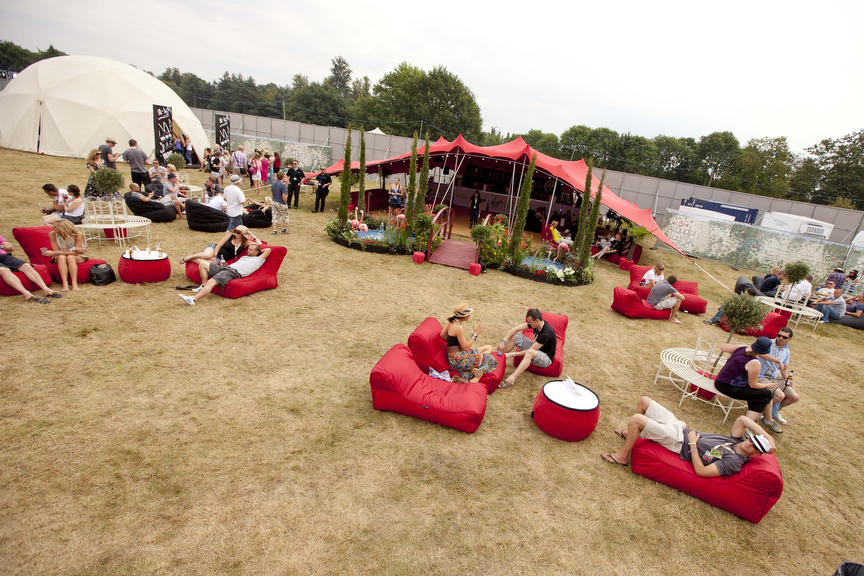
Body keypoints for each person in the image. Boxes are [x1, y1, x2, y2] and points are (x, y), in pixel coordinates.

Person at [600, 396, 774, 472]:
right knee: (644, 401)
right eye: (752, 439)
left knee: (636, 419)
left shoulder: (734, 461)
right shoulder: (737, 440)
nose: (749, 443)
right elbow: (743, 419)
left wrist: (692, 445)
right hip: (680, 428)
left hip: (679, 442)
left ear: (757, 453)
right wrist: (768, 437)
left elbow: (702, 471)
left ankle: (623, 456)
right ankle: (632, 435)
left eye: (754, 446)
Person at [713, 337, 781, 425]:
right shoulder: (755, 363)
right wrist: (768, 385)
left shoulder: (742, 347)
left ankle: (766, 420)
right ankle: (748, 424)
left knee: (760, 394)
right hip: (730, 387)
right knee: (766, 394)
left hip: (720, 381)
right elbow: (753, 385)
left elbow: (723, 347)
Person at [180, 244, 271, 306]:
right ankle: (203, 285)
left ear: (256, 252)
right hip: (226, 268)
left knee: (211, 282)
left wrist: (259, 252)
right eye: (248, 249)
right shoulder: (245, 257)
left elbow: (268, 250)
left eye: (251, 250)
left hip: (232, 273)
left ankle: (193, 300)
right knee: (202, 264)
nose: (248, 251)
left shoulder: (259, 259)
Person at [496, 308, 557, 389]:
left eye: (530, 322)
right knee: (516, 336)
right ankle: (497, 358)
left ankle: (511, 379)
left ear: (537, 320)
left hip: (546, 359)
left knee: (530, 352)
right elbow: (516, 329)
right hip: (536, 349)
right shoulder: (537, 324)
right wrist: (503, 341)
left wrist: (512, 354)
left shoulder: (546, 333)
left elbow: (530, 350)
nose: (529, 324)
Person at [440, 303, 498, 383]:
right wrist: (475, 335)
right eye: (469, 314)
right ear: (464, 316)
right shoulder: (458, 328)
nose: (470, 316)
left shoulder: (451, 322)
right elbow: (466, 347)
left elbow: (442, 335)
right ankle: (477, 377)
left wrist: (454, 345)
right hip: (458, 361)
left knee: (489, 347)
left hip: (456, 356)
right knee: (491, 359)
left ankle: (473, 369)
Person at [0, 233, 62, 303]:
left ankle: (46, 289)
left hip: (3, 256)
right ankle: (26, 293)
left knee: (26, 266)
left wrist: (1, 246)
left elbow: (11, 248)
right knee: (4, 270)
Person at [757, 327, 798, 431]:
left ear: (789, 339)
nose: (780, 338)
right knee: (780, 395)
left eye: (784, 337)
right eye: (779, 335)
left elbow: (785, 368)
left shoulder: (786, 351)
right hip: (761, 376)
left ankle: (771, 413)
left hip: (775, 378)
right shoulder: (768, 343)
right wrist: (777, 360)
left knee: (794, 397)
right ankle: (764, 416)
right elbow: (760, 353)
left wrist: (787, 378)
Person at [45, 219, 87, 292]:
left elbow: (76, 253)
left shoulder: (77, 234)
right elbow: (56, 251)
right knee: (61, 257)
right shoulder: (52, 234)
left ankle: (74, 283)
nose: (52, 228)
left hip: (76, 256)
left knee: (70, 257)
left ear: (62, 228)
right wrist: (71, 250)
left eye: (54, 227)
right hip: (60, 256)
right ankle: (65, 283)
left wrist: (56, 253)